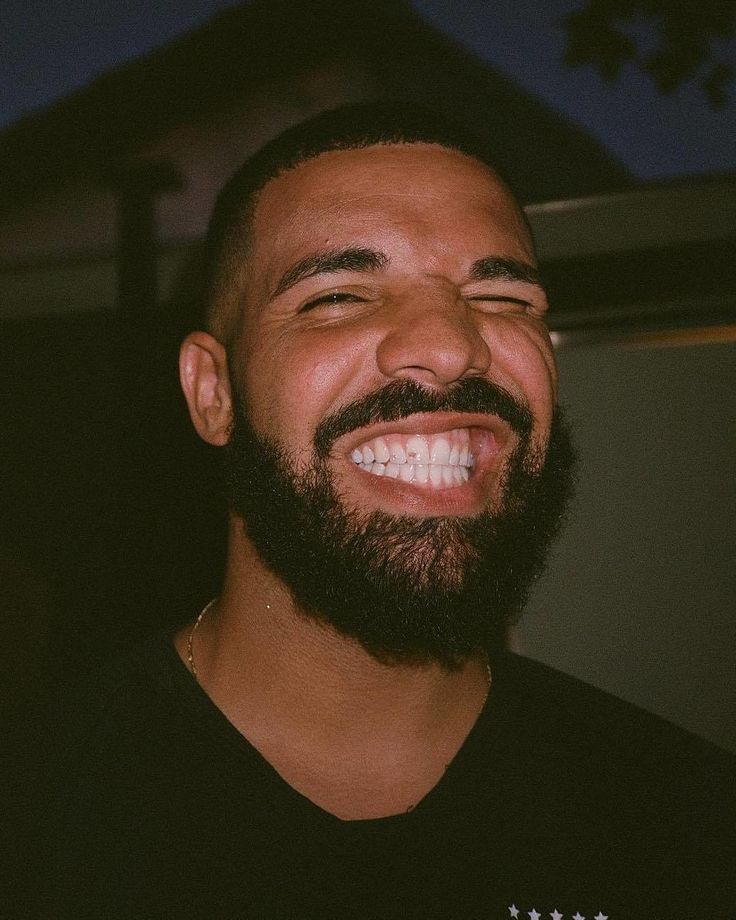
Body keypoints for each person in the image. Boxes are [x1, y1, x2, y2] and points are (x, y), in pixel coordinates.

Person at [7, 104, 734, 919]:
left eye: (502, 297)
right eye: (339, 296)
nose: (453, 345)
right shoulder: (35, 824)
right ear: (214, 394)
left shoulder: (691, 826)